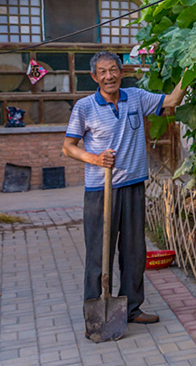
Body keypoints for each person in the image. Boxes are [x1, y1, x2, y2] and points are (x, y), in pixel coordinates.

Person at [62, 51, 185, 331]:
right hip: (100, 190)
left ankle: (132, 308)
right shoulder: (84, 107)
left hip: (133, 186)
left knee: (134, 251)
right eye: (103, 72)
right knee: (99, 252)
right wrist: (94, 158)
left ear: (121, 72)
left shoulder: (136, 97)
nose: (109, 76)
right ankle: (96, 311)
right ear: (94, 77)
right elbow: (68, 147)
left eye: (114, 70)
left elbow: (172, 101)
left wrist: (190, 68)